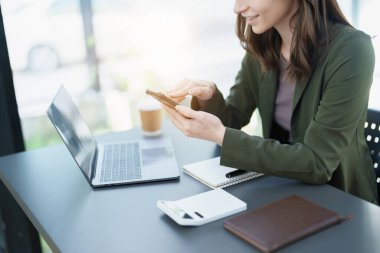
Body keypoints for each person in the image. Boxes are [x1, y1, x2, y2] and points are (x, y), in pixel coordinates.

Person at [162, 0, 378, 203]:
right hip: (282, 190)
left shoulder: (351, 49)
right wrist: (209, 96)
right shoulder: (264, 45)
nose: (237, 7)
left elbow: (317, 163)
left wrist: (220, 135)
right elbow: (233, 118)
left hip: (341, 202)